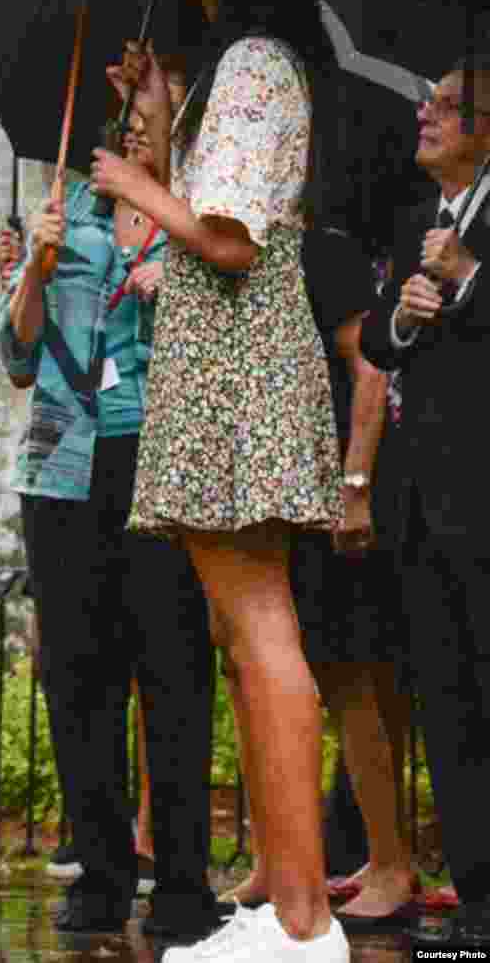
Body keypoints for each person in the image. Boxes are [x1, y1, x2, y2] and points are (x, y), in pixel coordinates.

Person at [91, 0, 347, 962]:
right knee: (244, 636)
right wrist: (156, 127)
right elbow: (200, 204)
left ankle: (301, 921)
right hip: (222, 360)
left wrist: (138, 183)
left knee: (259, 628)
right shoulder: (228, 70)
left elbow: (229, 236)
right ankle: (287, 905)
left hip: (239, 362)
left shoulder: (253, 63)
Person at [0, 115, 221, 941]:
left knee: (173, 669)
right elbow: (16, 356)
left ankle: (185, 884)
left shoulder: (195, 216)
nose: (130, 131)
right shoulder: (67, 213)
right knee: (77, 677)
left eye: (146, 118)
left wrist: (178, 279)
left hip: (158, 457)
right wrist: (35, 271)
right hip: (62, 468)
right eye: (118, 122)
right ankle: (100, 870)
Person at [220, 227, 414, 931]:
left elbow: (369, 368)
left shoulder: (321, 252)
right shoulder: (235, 258)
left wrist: (354, 481)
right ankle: (298, 856)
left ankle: (392, 860)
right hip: (276, 497)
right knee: (287, 673)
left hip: (328, 491)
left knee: (351, 676)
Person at [359, 54, 490, 955]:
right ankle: (478, 899)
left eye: (448, 105)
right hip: (426, 502)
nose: (426, 114)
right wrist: (405, 314)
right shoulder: (414, 219)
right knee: (446, 700)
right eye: (428, 100)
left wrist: (472, 273)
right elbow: (375, 338)